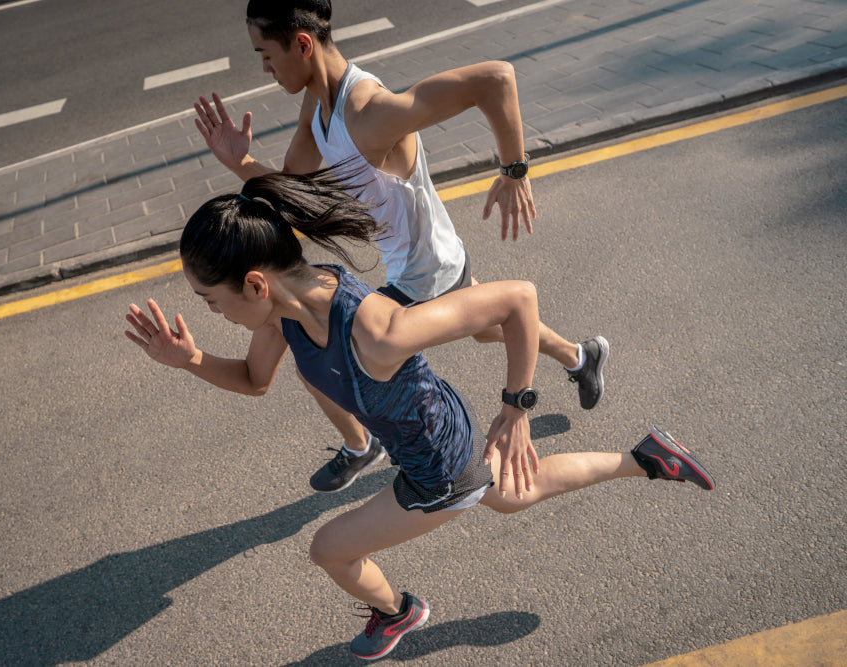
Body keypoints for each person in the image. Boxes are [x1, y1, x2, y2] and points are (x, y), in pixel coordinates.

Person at [123, 170, 716, 661]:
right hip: (434, 430)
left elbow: (519, 298)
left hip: (434, 466)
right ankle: (647, 459)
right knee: (512, 493)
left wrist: (517, 409)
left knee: (330, 550)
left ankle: (398, 613)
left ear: (254, 285)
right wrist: (192, 359)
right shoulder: (285, 313)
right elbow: (255, 381)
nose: (212, 311)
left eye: (209, 301)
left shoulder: (375, 333)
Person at [192, 0, 610, 495]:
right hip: (411, 263)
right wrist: (241, 162)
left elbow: (494, 79)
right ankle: (580, 357)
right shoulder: (318, 107)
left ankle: (366, 445)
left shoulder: (368, 113)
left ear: (302, 44)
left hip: (427, 271)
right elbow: (294, 192)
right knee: (486, 328)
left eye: (265, 54)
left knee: (314, 344)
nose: (263, 68)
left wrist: (513, 170)